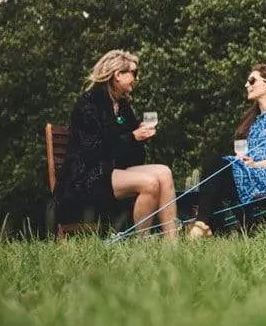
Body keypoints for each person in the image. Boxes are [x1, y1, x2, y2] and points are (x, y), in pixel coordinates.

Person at [54, 50, 178, 239]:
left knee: (164, 172)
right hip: (85, 177)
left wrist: (139, 138)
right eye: (133, 73)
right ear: (118, 75)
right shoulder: (88, 104)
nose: (136, 78)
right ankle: (143, 246)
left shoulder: (123, 106)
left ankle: (173, 244)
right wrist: (132, 137)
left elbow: (132, 157)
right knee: (150, 183)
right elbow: (94, 150)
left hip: (111, 171)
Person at [189, 63, 266, 237]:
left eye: (252, 81)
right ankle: (216, 230)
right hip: (253, 172)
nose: (247, 85)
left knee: (215, 165)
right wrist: (247, 161)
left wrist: (258, 164)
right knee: (214, 167)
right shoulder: (256, 121)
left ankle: (204, 226)